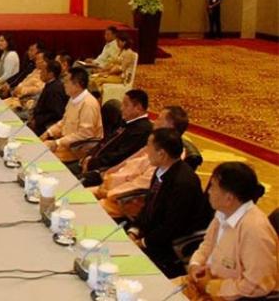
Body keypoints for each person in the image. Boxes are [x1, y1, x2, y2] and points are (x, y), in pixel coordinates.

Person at [127, 128, 213, 278]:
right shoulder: (162, 169)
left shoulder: (183, 183)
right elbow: (149, 205)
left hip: (169, 246)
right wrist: (134, 231)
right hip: (151, 234)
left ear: (161, 154)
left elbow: (172, 227)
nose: (146, 151)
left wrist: (143, 243)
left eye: (149, 147)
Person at [187, 162, 277, 299]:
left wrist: (210, 286)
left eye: (213, 187)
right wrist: (195, 265)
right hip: (203, 283)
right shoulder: (223, 212)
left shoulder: (255, 230)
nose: (209, 191)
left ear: (229, 198)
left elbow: (258, 285)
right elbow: (206, 246)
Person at [92, 106, 200, 218]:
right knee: (75, 194)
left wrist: (109, 192)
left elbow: (140, 185)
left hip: (122, 200)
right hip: (111, 186)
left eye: (159, 119)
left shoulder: (167, 156)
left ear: (170, 126)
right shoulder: (155, 142)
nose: (154, 122)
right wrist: (108, 178)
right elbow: (129, 164)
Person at [79, 89, 153, 174]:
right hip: (94, 161)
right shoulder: (127, 121)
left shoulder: (142, 129)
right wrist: (89, 155)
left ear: (138, 108)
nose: (121, 108)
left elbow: (120, 156)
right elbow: (107, 141)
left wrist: (92, 163)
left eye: (126, 105)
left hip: (106, 170)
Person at [41, 67, 102, 161]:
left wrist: (57, 143)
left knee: (43, 156)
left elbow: (85, 135)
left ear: (77, 85)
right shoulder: (73, 98)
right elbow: (64, 121)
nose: (63, 84)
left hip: (79, 150)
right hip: (66, 143)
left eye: (66, 82)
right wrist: (48, 132)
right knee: (40, 147)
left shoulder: (89, 104)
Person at [28, 60, 68, 136]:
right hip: (39, 120)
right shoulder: (51, 84)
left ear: (50, 74)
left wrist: (37, 121)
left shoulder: (55, 89)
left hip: (46, 127)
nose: (40, 73)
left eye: (43, 71)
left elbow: (56, 113)